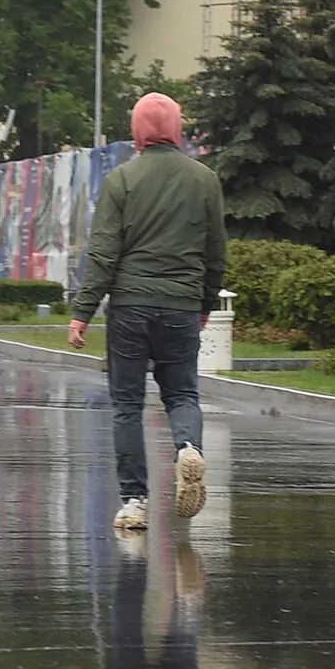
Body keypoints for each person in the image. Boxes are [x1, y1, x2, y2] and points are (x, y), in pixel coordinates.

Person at [67, 92, 228, 534]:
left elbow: (103, 253)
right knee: (182, 395)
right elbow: (216, 253)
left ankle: (135, 502)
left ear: (138, 131)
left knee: (127, 404)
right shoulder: (205, 180)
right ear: (177, 128)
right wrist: (205, 304)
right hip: (180, 306)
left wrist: (82, 312)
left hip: (130, 309)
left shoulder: (122, 180)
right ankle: (188, 448)